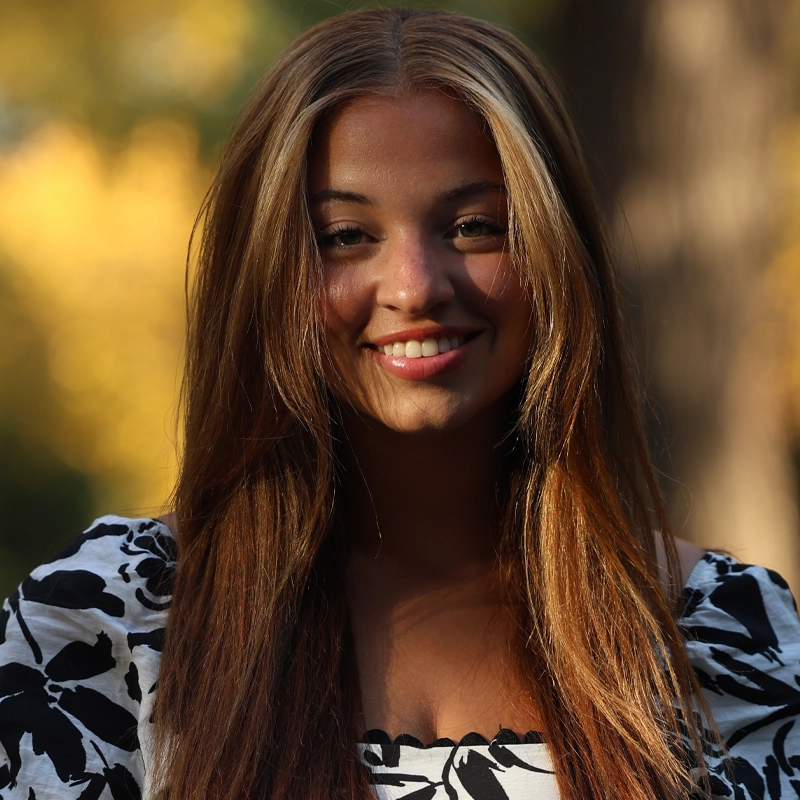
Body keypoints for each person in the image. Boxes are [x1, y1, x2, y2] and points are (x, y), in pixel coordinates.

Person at [1, 8, 799, 800]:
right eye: (346, 236)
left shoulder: (723, 631)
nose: (416, 286)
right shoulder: (108, 627)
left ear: (559, 252)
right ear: (264, 277)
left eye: (476, 225)